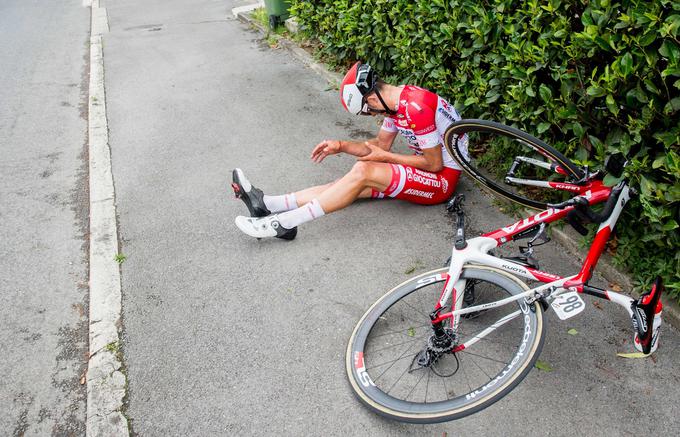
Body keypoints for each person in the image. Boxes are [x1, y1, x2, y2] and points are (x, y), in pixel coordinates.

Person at [232, 61, 468, 240]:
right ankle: (268, 204)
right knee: (351, 182)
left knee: (363, 171)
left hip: (442, 181)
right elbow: (381, 145)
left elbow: (434, 164)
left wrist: (385, 158)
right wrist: (342, 146)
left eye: (368, 111)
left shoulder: (416, 107)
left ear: (373, 100)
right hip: (427, 171)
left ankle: (282, 223)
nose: (373, 115)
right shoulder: (396, 103)